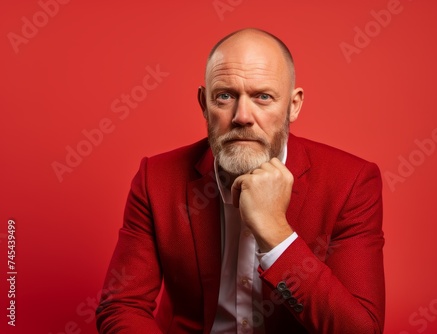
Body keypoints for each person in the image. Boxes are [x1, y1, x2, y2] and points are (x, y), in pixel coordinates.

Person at [96, 28, 385, 334]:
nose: (242, 116)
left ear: (293, 105)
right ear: (204, 104)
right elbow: (121, 306)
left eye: (263, 97)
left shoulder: (351, 183)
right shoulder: (156, 179)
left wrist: (276, 232)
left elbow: (360, 330)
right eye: (225, 96)